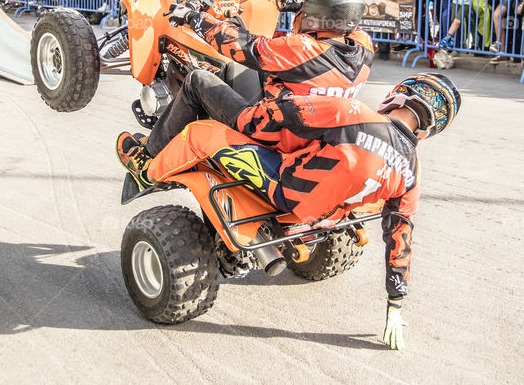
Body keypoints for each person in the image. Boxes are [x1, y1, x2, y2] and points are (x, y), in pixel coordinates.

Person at [118, 72, 461, 351]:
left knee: (198, 123)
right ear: (432, 127)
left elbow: (271, 123)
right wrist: (395, 302)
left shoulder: (352, 112)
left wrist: (255, 110)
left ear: (400, 95)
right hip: (327, 211)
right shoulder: (412, 171)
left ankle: (144, 168)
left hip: (281, 187)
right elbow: (400, 238)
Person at [126, 0, 373, 160]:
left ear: (315, 11)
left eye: (304, 3)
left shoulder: (302, 48)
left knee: (198, 80)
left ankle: (148, 155)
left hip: (270, 131)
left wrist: (193, 17)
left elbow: (243, 46)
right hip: (313, 133)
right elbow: (276, 53)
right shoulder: (363, 47)